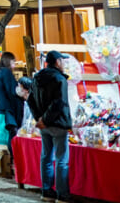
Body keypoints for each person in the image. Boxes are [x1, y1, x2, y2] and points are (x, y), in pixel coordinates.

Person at [30, 50, 73, 202]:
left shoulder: (37, 78)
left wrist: (39, 119)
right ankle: (62, 195)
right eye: (63, 60)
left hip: (44, 126)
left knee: (46, 157)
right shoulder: (60, 79)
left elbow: (30, 99)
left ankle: (46, 191)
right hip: (58, 124)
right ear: (57, 62)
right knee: (62, 159)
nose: (64, 63)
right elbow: (59, 103)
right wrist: (46, 119)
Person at [0, 51, 23, 145]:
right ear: (8, 61)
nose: (14, 64)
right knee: (4, 137)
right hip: (6, 111)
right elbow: (12, 91)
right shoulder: (6, 72)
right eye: (13, 62)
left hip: (0, 110)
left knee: (1, 135)